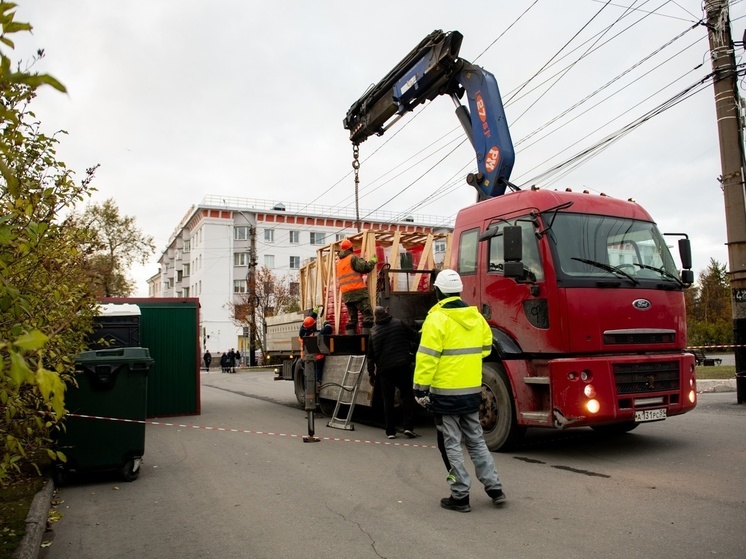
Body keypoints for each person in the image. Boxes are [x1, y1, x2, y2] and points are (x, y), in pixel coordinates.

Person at [413, 269, 506, 513]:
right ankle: (494, 487)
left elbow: (427, 358)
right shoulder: (476, 318)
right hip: (471, 390)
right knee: (476, 441)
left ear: (437, 292)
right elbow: (486, 349)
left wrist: (419, 389)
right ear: (459, 290)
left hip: (445, 394)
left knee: (451, 443)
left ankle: (460, 495)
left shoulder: (436, 319)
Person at [367, 306, 417, 440]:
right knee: (407, 395)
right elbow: (414, 336)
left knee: (388, 400)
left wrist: (371, 374)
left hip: (385, 370)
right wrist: (412, 352)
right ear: (386, 313)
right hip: (402, 365)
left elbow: (370, 356)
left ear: (376, 317)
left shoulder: (373, 332)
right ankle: (408, 427)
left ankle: (390, 431)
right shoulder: (398, 323)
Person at [336, 238, 377, 334]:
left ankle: (351, 340)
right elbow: (365, 267)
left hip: (346, 294)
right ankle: (368, 340)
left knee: (353, 318)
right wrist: (372, 261)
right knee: (368, 315)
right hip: (357, 291)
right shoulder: (352, 258)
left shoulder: (339, 262)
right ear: (351, 248)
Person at [299, 313, 332, 385]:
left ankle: (311, 387)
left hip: (304, 358)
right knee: (317, 374)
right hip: (317, 358)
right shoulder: (315, 335)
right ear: (313, 326)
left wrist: (313, 314)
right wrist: (326, 323)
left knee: (309, 376)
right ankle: (317, 384)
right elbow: (328, 329)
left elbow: (304, 326)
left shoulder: (302, 335)